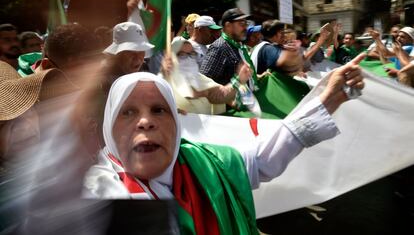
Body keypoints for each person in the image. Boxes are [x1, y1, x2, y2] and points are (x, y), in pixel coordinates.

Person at [83, 53, 365, 233]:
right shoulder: (100, 191)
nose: (145, 122)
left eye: (158, 110)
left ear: (176, 124)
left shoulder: (210, 163)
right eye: (128, 112)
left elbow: (266, 157)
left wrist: (329, 100)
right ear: (109, 128)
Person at [160, 37, 251, 114]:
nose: (189, 59)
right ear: (172, 56)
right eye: (182, 54)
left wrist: (238, 80)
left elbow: (219, 94)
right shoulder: (161, 83)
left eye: (192, 54)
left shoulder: (201, 79)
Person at [200, 8, 252, 86]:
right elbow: (204, 82)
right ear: (228, 26)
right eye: (241, 23)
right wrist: (235, 83)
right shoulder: (219, 47)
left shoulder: (238, 47)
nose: (245, 28)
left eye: (246, 23)